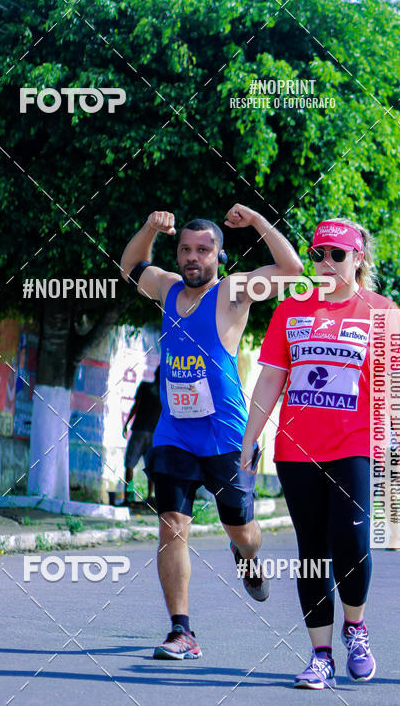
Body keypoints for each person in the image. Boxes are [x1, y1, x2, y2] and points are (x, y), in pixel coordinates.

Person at [120, 204, 303, 659]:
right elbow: (129, 267)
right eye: (185, 249)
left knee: (241, 529)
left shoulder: (234, 292)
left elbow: (292, 269)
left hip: (225, 436)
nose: (192, 257)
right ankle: (182, 630)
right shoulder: (166, 288)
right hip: (175, 433)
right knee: (171, 528)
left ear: (219, 256)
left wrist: (260, 222)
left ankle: (247, 557)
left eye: (203, 249)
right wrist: (148, 227)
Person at [241, 218, 400, 689]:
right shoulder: (292, 310)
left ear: (358, 259)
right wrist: (250, 436)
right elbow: (272, 378)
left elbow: (398, 387)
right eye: (319, 254)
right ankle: (321, 656)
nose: (325, 263)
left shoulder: (382, 311)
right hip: (297, 451)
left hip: (357, 445)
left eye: (337, 255)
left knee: (352, 544)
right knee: (312, 554)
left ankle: (355, 628)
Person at [121, 365, 161, 505]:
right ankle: (150, 496)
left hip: (139, 431)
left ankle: (129, 496)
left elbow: (136, 406)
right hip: (155, 434)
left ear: (155, 374)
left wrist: (126, 424)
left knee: (130, 464)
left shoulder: (144, 386)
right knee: (152, 466)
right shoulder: (166, 393)